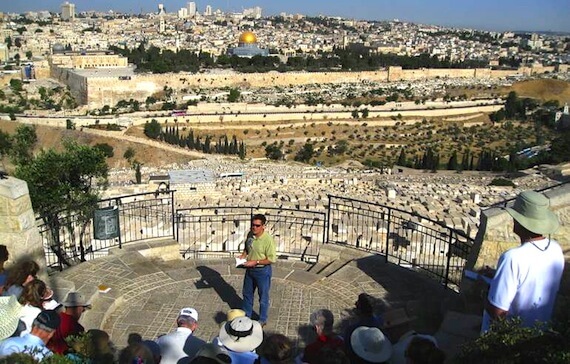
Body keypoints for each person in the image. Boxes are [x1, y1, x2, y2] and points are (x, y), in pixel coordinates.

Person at [481, 190, 564, 333]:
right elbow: (531, 279)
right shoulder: (556, 250)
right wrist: (497, 276)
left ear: (520, 222)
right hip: (538, 331)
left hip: (507, 339)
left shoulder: (513, 258)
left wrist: (482, 292)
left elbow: (497, 312)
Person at [239, 214, 277, 326]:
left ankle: (262, 319)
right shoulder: (250, 234)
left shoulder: (268, 240)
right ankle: (246, 316)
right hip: (249, 270)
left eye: (257, 225)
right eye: (253, 225)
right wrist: (243, 255)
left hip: (262, 271)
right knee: (247, 294)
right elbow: (247, 247)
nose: (254, 227)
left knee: (263, 296)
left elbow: (271, 259)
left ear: (263, 226)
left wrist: (256, 262)